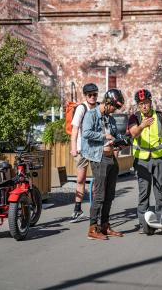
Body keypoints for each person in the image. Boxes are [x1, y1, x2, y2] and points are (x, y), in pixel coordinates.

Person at [128, 89, 162, 234]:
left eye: (146, 103)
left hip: (160, 158)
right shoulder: (134, 117)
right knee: (143, 192)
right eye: (140, 104)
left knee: (161, 191)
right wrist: (142, 125)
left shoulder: (160, 116)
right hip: (142, 161)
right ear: (138, 105)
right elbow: (133, 133)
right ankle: (144, 224)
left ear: (151, 102)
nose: (143, 106)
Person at [81, 89, 127, 240]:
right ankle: (92, 228)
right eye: (114, 107)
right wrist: (104, 136)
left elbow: (117, 137)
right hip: (98, 157)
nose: (114, 110)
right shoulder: (91, 114)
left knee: (109, 195)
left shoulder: (111, 119)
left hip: (111, 158)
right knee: (99, 195)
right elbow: (86, 133)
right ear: (107, 102)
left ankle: (105, 226)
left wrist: (122, 143)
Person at [69, 83, 99, 223]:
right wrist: (74, 148)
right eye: (90, 95)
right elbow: (75, 129)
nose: (92, 97)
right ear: (85, 96)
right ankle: (77, 209)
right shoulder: (82, 108)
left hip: (96, 149)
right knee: (80, 179)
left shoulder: (99, 107)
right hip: (82, 149)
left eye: (95, 94)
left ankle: (98, 209)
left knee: (100, 179)